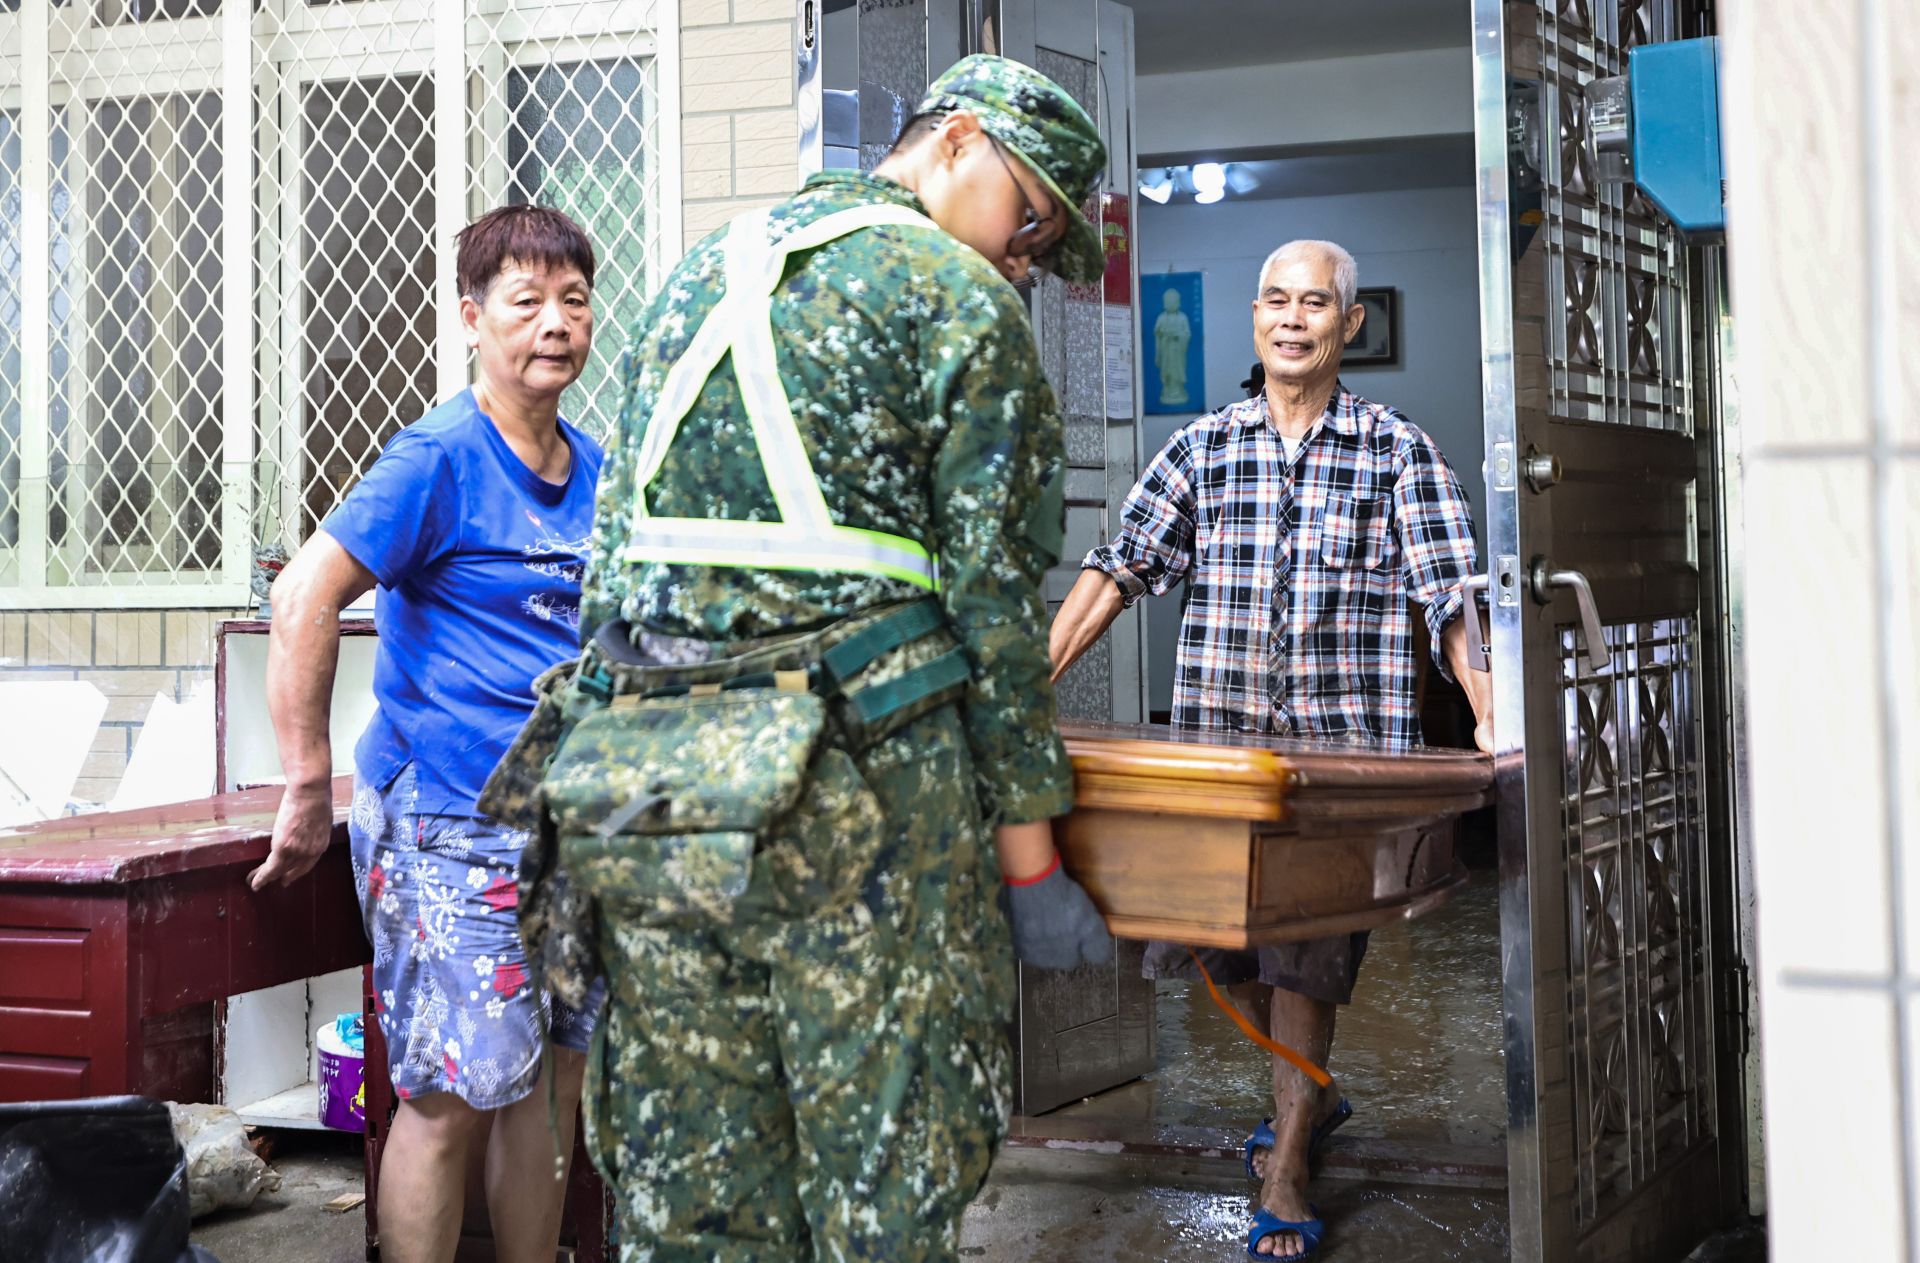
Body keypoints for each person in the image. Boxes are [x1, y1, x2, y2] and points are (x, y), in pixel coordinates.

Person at [491, 55, 1113, 1262]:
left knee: (692, 1186)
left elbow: (608, 573)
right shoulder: (955, 301)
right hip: (860, 807)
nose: (1022, 261)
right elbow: (992, 615)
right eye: (1028, 217)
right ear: (956, 142)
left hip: (654, 797)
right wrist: (1031, 864)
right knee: (884, 1172)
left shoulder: (689, 281)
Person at [1049, 239, 1494, 1260]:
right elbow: (1119, 569)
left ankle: (1288, 1157)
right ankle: (1311, 1094)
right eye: (1275, 301)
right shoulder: (1204, 449)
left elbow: (1451, 600)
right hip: (1219, 763)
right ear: (1255, 319)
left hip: (1338, 776)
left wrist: (1484, 714)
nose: (1292, 319)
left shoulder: (1396, 450)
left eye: (1315, 303)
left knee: (1306, 954)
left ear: (1351, 324)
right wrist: (1030, 683)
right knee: (1205, 945)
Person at [252, 205, 606, 1263]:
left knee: (551, 1087)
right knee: (451, 1091)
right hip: (448, 824)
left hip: (566, 825)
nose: (556, 322)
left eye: (575, 299)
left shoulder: (595, 467)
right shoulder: (438, 459)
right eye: (527, 300)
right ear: (470, 316)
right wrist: (308, 782)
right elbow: (306, 597)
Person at [1154, 285, 1193, 406]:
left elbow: (1187, 334)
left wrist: (1177, 335)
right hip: (1166, 351)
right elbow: (1157, 332)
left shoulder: (1182, 317)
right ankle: (1168, 390)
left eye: (1173, 301)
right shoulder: (1161, 317)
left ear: (1178, 302)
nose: (1171, 304)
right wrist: (1163, 335)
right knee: (1167, 371)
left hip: (1177, 352)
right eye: (1168, 301)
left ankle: (1178, 390)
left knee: (1177, 370)